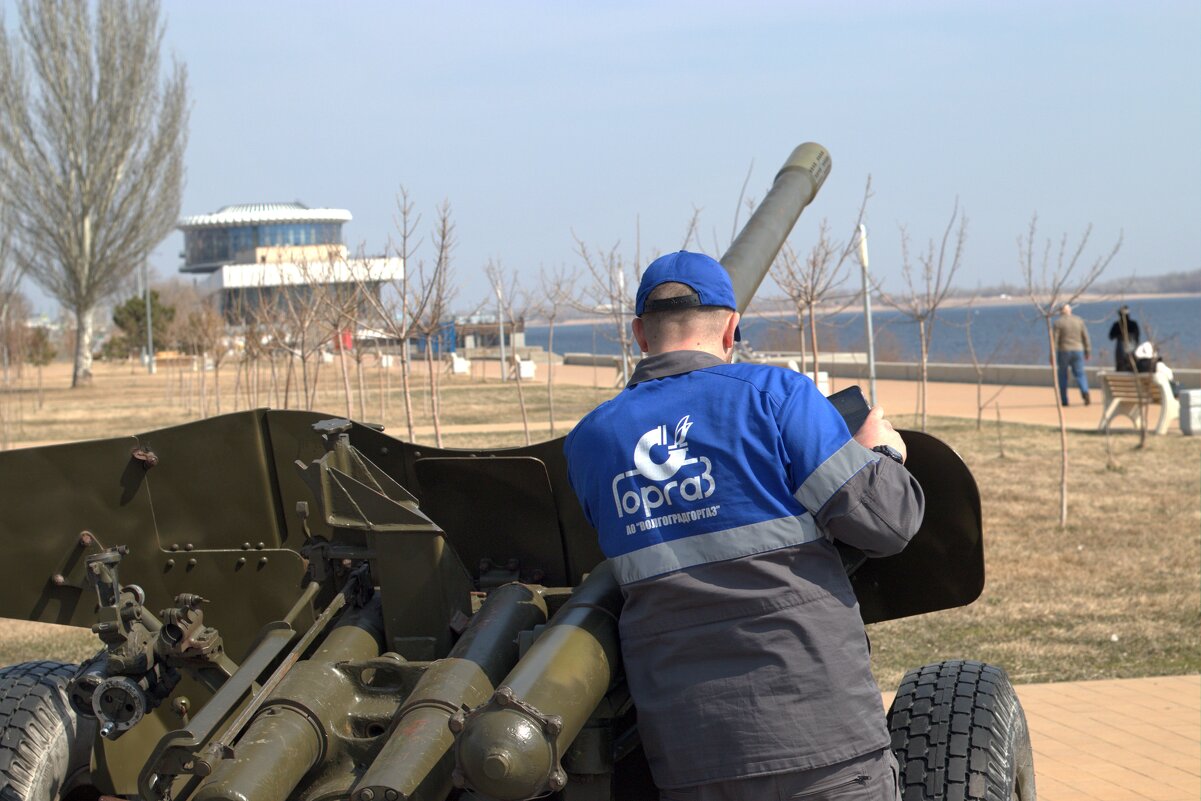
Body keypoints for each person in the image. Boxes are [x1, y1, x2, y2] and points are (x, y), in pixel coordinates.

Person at [564, 251, 925, 801]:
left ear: (639, 334)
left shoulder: (590, 441)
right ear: (732, 327)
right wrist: (879, 456)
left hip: (692, 754)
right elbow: (887, 524)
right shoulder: (776, 397)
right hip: (821, 738)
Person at [1052, 303, 1091, 406]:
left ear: (1061, 312)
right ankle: (1084, 391)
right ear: (1070, 311)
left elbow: (1054, 340)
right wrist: (1088, 351)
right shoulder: (1079, 320)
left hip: (1064, 350)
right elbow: (1085, 337)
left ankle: (1064, 400)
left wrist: (1052, 354)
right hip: (1078, 350)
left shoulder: (1058, 323)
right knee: (1080, 373)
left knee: (1063, 375)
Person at [1108, 305, 1140, 372]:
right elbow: (1137, 337)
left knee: (1121, 367)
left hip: (1121, 352)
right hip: (1132, 350)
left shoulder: (1117, 325)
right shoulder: (1134, 324)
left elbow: (1111, 336)